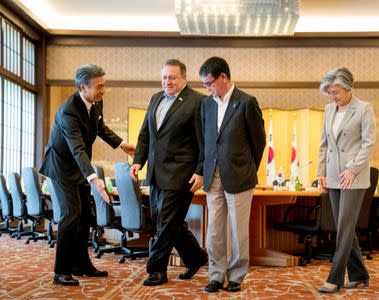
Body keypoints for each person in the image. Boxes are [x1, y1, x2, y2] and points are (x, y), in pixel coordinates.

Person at [40, 64, 135, 286]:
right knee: (71, 215)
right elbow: (77, 148)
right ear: (83, 87)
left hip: (78, 166)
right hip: (62, 167)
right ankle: (61, 271)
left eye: (104, 84)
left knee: (85, 217)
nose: (104, 90)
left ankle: (81, 265)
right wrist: (94, 178)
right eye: (99, 86)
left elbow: (100, 127)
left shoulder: (95, 101)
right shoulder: (68, 111)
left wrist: (122, 145)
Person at [130, 59, 207, 286]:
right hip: (155, 172)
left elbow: (204, 142)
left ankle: (156, 270)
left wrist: (201, 171)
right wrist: (138, 161)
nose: (167, 82)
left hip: (181, 173)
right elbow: (146, 134)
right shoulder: (155, 98)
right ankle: (196, 257)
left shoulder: (198, 101)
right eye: (164, 77)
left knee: (166, 221)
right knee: (164, 221)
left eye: (172, 77)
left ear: (184, 78)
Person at [199, 56, 266, 293]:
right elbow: (204, 143)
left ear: (224, 77)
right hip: (213, 175)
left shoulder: (247, 102)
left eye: (209, 83)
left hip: (239, 176)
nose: (207, 88)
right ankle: (216, 275)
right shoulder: (206, 105)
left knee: (238, 231)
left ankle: (236, 275)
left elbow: (258, 143)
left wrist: (247, 168)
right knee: (214, 231)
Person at [316, 67, 376, 293]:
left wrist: (352, 169)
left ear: (348, 88)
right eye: (329, 93)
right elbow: (324, 143)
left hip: (353, 177)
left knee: (344, 228)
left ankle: (335, 278)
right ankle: (359, 274)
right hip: (332, 176)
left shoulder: (363, 109)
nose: (333, 97)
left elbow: (368, 143)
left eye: (336, 92)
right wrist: (321, 172)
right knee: (345, 227)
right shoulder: (329, 109)